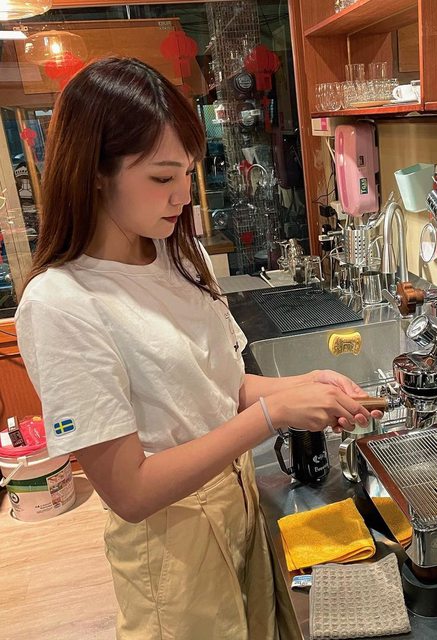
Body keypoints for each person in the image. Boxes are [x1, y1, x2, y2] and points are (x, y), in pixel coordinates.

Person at [15, 57, 381, 640]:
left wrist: (306, 386)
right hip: (172, 542)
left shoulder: (180, 257)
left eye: (188, 172)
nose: (184, 195)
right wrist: (272, 415)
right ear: (94, 173)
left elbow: (221, 387)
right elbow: (131, 492)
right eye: (162, 178)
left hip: (238, 500)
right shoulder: (62, 302)